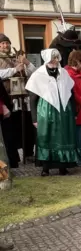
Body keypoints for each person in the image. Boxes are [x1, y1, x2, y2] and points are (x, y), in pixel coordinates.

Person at [27, 49, 80, 176]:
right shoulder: (38, 75)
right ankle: (45, 168)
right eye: (53, 58)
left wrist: (74, 112)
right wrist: (34, 118)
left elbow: (70, 94)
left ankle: (63, 166)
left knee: (63, 138)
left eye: (57, 58)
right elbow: (33, 99)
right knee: (46, 137)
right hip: (46, 111)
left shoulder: (64, 73)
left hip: (64, 112)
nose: (55, 61)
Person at [0, 33, 37, 167]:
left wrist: (26, 63)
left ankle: (29, 152)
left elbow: (33, 72)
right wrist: (14, 69)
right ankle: (14, 157)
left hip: (23, 97)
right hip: (8, 98)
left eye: (7, 43)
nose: (6, 45)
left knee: (27, 125)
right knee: (11, 129)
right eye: (3, 43)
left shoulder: (17, 58)